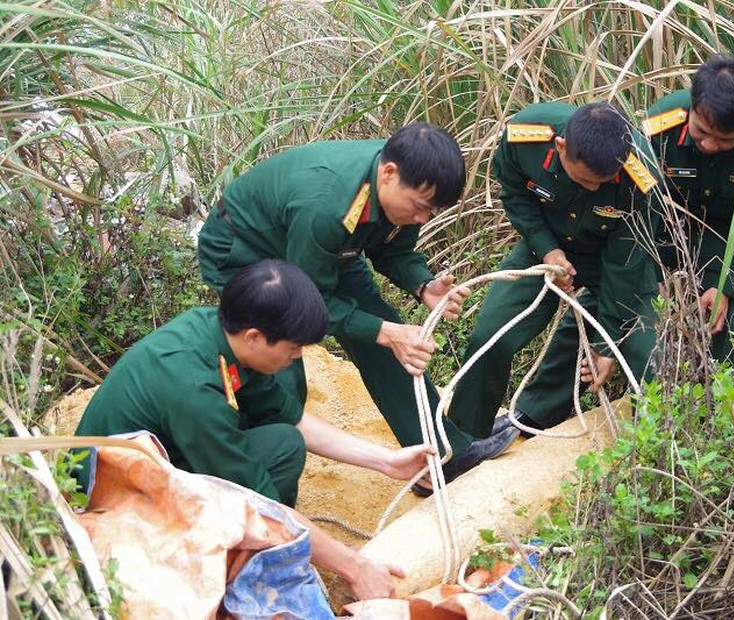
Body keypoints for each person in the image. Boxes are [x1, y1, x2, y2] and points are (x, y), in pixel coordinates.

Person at [196, 123, 519, 494]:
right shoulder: (327, 202)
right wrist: (385, 333)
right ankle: (254, 480)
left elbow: (393, 250)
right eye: (419, 207)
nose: (423, 219)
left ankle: (443, 456)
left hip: (327, 250)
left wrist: (422, 285)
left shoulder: (404, 187)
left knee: (389, 339)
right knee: (282, 363)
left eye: (431, 210)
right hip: (245, 249)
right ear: (389, 173)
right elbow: (312, 301)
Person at [76, 260, 426, 599]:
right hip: (111, 499)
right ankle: (228, 558)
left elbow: (294, 421)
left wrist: (387, 462)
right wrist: (355, 567)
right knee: (261, 500)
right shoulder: (194, 391)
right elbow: (258, 501)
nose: (295, 357)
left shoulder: (222, 337)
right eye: (293, 348)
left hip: (158, 458)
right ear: (256, 337)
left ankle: (266, 544)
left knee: (284, 444)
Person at [446, 101, 661, 442]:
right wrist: (547, 247)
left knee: (647, 356)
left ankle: (647, 456)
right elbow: (515, 194)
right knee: (489, 336)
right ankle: (462, 442)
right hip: (545, 248)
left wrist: (606, 347)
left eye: (602, 182)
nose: (592, 189)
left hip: (614, 264)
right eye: (585, 179)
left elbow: (627, 264)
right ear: (560, 147)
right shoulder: (525, 138)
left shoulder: (641, 177)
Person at [642, 53, 734, 360]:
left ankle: (726, 401)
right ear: (692, 108)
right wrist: (651, 275)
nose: (709, 145)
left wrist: (722, 284)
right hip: (665, 234)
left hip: (729, 242)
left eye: (724, 139)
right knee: (625, 310)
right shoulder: (657, 130)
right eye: (701, 131)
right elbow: (638, 210)